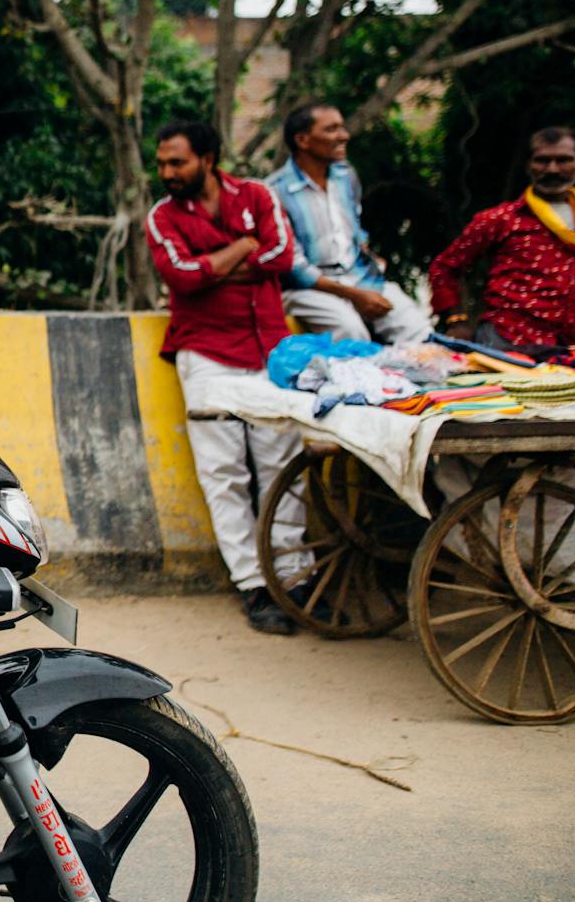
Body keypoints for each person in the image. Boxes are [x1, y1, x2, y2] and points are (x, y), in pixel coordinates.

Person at [145, 120, 306, 635]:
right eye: (163, 164)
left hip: (269, 352)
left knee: (282, 467)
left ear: (208, 159)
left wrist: (214, 264)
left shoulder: (256, 196)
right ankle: (254, 586)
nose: (167, 173)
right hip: (206, 354)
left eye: (178, 163)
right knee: (224, 474)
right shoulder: (162, 217)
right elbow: (182, 278)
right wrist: (241, 251)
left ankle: (296, 581)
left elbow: (281, 255)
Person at [430, 126, 575, 352]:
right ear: (528, 165)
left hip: (569, 344)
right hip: (507, 341)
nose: (552, 169)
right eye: (542, 160)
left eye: (563, 160)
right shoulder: (501, 219)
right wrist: (457, 320)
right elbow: (444, 267)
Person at [268, 103, 432, 343]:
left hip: (359, 277)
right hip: (307, 289)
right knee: (351, 334)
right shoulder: (275, 191)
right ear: (302, 140)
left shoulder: (346, 177)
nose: (344, 136)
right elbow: (294, 268)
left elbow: (351, 228)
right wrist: (354, 295)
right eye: (331, 129)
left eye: (342, 128)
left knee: (417, 330)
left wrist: (367, 253)